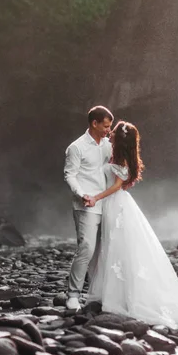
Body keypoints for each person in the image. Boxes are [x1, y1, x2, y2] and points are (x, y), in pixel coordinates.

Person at [85, 121, 178, 337]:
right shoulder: (117, 154)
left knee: (119, 248)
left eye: (113, 133)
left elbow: (117, 184)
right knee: (117, 247)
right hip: (117, 205)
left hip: (115, 203)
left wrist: (96, 196)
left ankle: (119, 297)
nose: (109, 135)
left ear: (119, 139)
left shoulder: (120, 159)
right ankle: (114, 293)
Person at [64, 105, 113, 311]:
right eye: (105, 126)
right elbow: (70, 174)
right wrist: (82, 194)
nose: (108, 130)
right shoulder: (76, 147)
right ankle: (73, 295)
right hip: (86, 204)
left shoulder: (107, 145)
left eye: (110, 127)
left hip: (107, 202)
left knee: (103, 250)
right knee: (87, 248)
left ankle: (96, 294)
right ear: (94, 123)